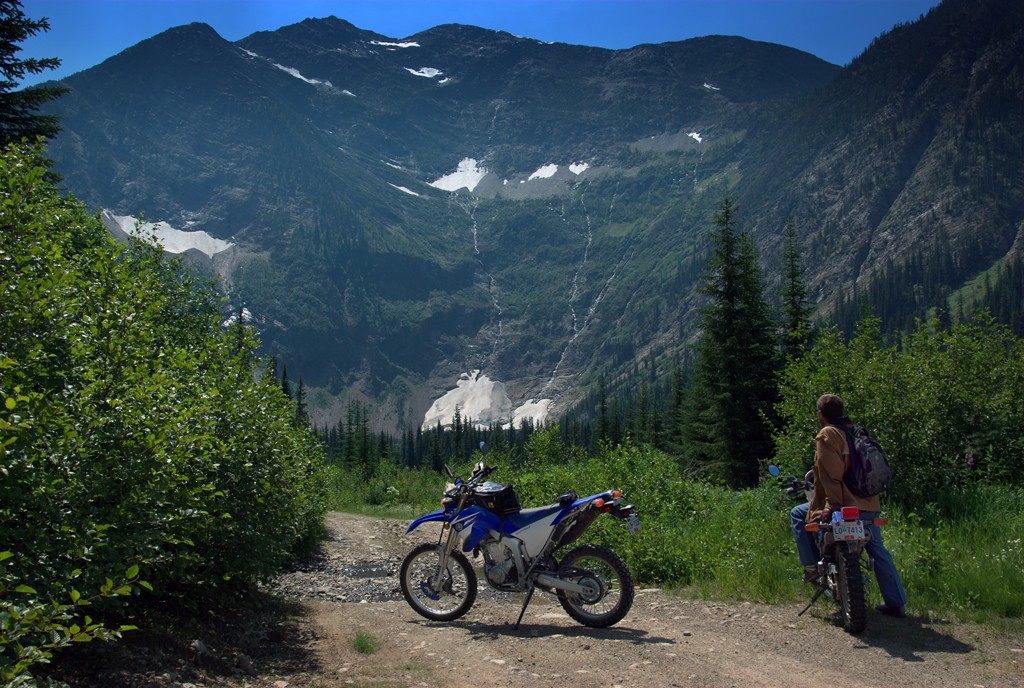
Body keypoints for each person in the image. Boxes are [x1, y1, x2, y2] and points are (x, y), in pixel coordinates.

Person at [790, 394, 908, 618]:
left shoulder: (827, 435)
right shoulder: (856, 432)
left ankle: (811, 569)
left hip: (841, 504)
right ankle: (896, 602)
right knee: (878, 550)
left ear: (820, 415)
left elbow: (832, 476)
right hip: (869, 504)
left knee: (797, 514)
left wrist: (830, 506)